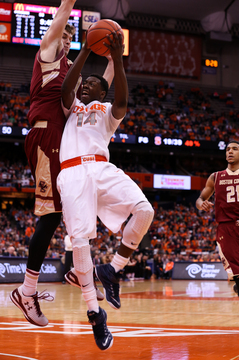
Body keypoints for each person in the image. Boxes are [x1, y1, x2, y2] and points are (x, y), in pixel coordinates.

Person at [10, 0, 113, 328]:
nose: (65, 41)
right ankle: (27, 291)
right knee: (52, 213)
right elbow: (56, 27)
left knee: (75, 209)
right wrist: (68, 4)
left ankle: (78, 273)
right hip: (45, 136)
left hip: (65, 143)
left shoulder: (72, 73)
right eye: (63, 36)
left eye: (71, 39)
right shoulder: (47, 55)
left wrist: (114, 61)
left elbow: (100, 92)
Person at [57, 31, 154, 350]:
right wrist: (84, 49)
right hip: (71, 172)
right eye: (84, 83)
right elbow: (67, 86)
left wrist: (118, 61)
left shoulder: (107, 112)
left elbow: (123, 99)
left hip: (101, 166)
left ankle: (112, 270)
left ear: (102, 90)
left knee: (145, 210)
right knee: (80, 242)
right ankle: (94, 312)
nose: (85, 85)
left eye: (92, 83)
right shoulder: (71, 109)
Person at [196, 140, 239, 300]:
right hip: (227, 229)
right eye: (228, 149)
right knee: (238, 274)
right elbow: (200, 199)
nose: (230, 151)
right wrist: (202, 204)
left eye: (235, 149)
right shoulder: (215, 177)